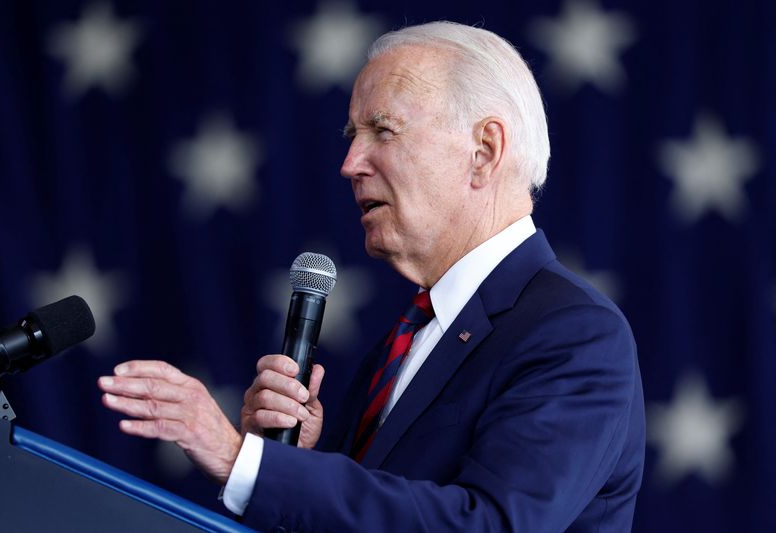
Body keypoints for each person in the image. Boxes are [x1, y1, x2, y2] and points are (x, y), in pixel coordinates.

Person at [98, 21, 644, 532]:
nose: (351, 162)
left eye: (383, 131)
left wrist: (248, 466)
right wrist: (299, 462)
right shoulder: (409, 336)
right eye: (353, 135)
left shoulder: (575, 333)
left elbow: (491, 524)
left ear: (485, 151)